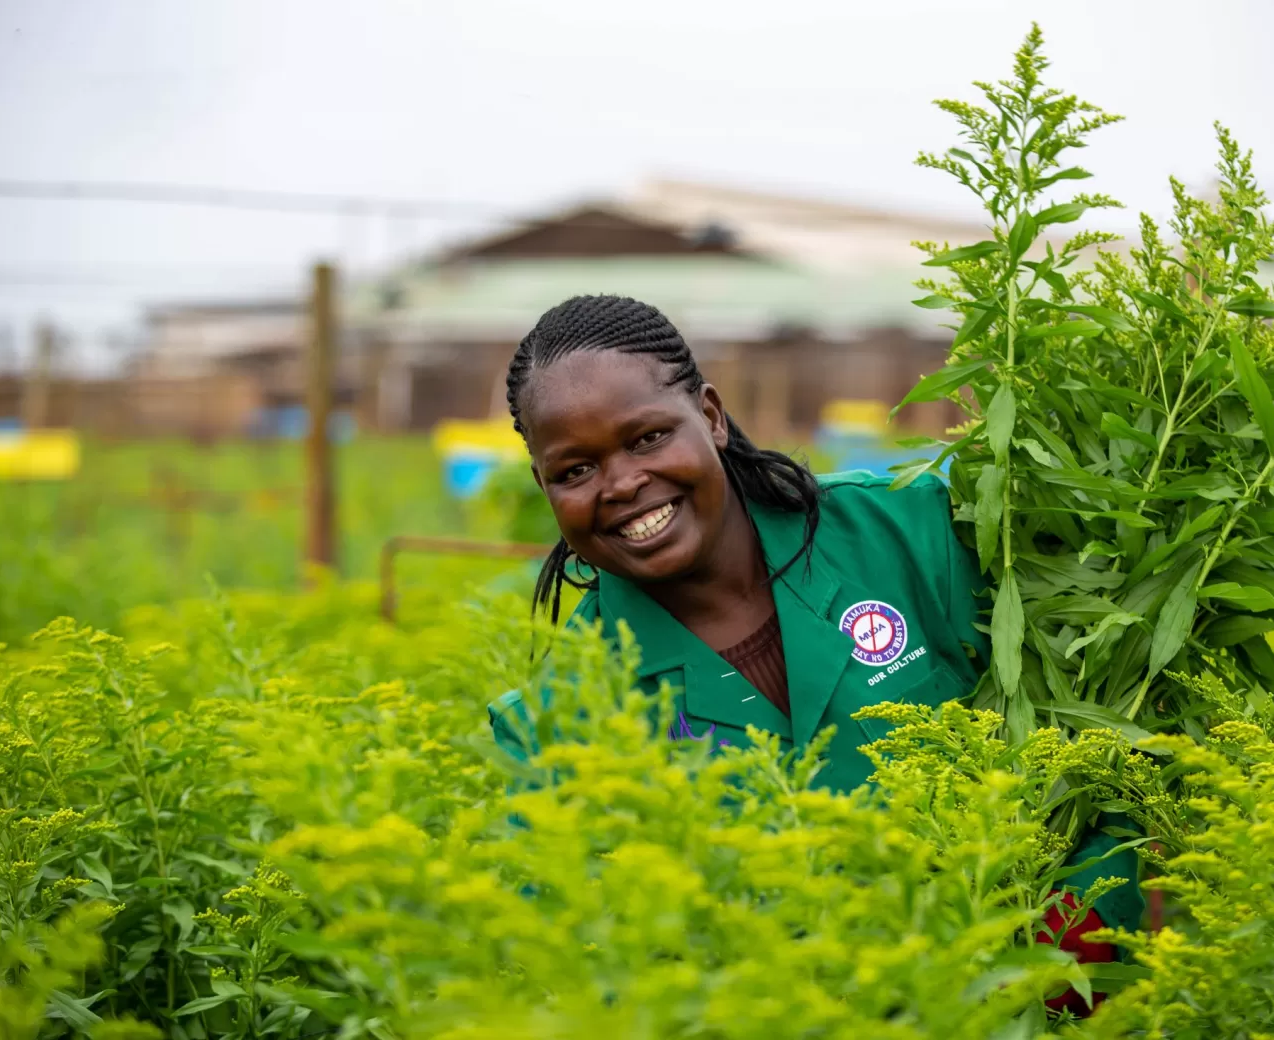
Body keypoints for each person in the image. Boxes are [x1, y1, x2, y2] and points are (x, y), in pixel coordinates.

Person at [487, 294, 1141, 1000]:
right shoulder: (556, 725)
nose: (621, 484)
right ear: (545, 487)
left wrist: (1058, 957)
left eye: (646, 438)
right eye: (575, 471)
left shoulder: (919, 531)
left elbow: (1103, 729)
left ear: (709, 415)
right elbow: (578, 973)